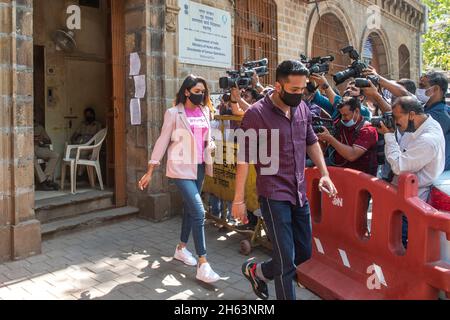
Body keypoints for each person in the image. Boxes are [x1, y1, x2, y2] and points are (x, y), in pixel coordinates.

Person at [232, 60, 338, 300]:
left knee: (303, 252)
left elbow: (311, 141)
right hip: (273, 194)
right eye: (294, 90)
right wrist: (238, 200)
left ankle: (257, 271)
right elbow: (243, 159)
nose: (300, 94)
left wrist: (325, 174)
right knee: (285, 262)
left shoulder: (301, 108)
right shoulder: (256, 114)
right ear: (278, 86)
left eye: (303, 89)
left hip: (299, 191)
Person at [138, 75, 220, 284]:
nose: (201, 95)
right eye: (197, 91)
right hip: (180, 168)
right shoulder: (174, 113)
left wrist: (210, 143)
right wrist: (150, 170)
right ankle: (203, 263)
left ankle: (181, 249)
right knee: (199, 211)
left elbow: (207, 135)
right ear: (186, 91)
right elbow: (162, 141)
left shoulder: (205, 111)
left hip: (200, 166)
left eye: (203, 91)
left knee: (190, 210)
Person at [379, 96, 445, 247]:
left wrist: (388, 136)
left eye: (397, 117)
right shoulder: (418, 125)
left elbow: (399, 166)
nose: (395, 122)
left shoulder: (428, 139)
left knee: (402, 246)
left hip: (413, 203)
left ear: (412, 114)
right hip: (403, 199)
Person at [317, 96, 379, 176]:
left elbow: (352, 155)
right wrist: (320, 137)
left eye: (345, 115)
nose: (343, 118)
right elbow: (326, 148)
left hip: (359, 177)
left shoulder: (368, 130)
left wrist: (330, 139)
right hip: (337, 168)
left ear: (356, 111)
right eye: (341, 115)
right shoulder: (340, 124)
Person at [417, 72, 450, 170]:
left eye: (423, 86)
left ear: (436, 89)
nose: (419, 90)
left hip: (437, 173)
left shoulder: (441, 114)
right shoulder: (425, 108)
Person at [34, 121, 60, 191]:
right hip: (26, 149)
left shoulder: (39, 127)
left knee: (55, 155)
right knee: (31, 158)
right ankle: (42, 182)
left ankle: (46, 180)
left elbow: (48, 140)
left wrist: (40, 140)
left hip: (36, 147)